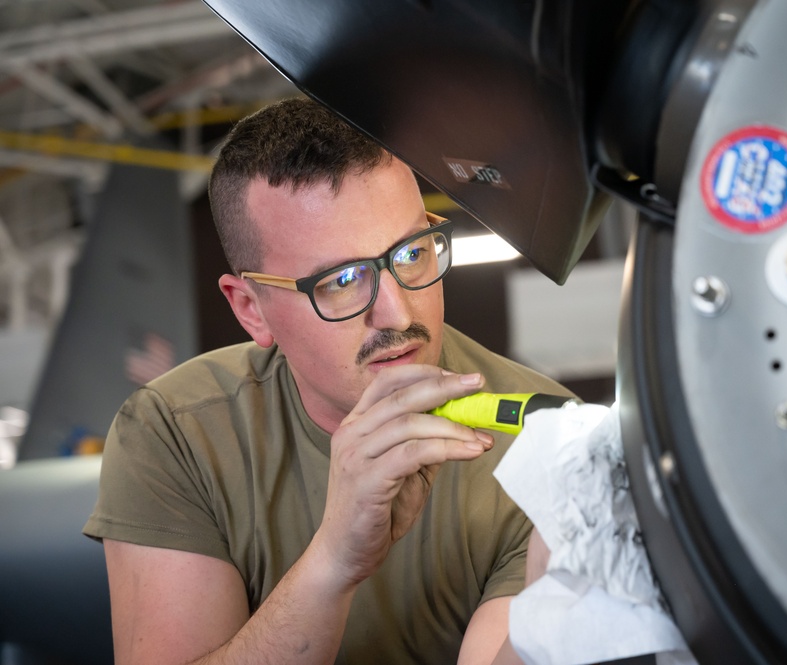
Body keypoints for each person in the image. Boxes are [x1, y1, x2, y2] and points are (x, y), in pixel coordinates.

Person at [83, 97, 572, 664]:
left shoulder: (545, 438)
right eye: (342, 280)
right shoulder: (177, 435)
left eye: (412, 252)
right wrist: (336, 562)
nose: (396, 312)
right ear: (252, 310)